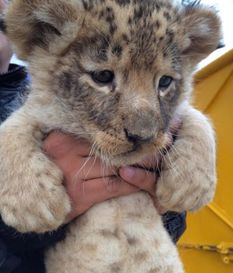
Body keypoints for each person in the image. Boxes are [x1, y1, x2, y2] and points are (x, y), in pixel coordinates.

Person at [0, 1, 186, 272]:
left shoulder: (56, 77)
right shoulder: (37, 109)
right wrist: (16, 227)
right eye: (103, 75)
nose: (143, 131)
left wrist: (165, 203)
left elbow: (173, 221)